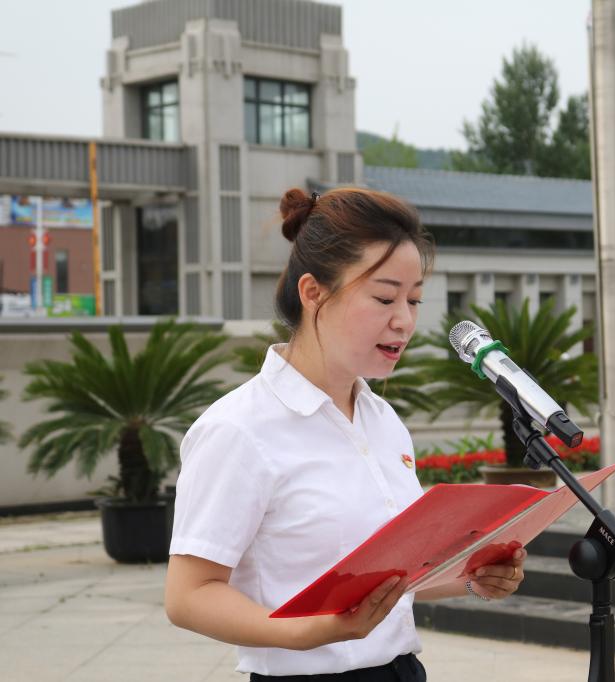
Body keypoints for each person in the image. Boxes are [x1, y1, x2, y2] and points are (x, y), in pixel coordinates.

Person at [165, 188, 527, 681]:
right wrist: (310, 631)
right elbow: (188, 596)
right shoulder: (238, 429)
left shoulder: (381, 420)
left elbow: (394, 578)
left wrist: (473, 579)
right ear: (313, 292)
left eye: (414, 300)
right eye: (384, 298)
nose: (404, 321)